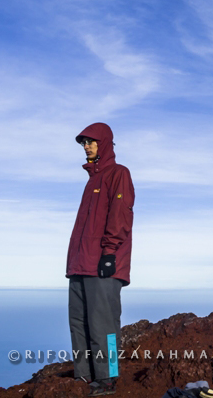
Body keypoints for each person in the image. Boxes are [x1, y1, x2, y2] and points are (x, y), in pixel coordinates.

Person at [67, 123, 134, 397]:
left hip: (103, 265)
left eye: (91, 141)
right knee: (78, 321)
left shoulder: (118, 174)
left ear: (104, 143)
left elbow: (120, 215)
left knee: (103, 324)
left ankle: (108, 378)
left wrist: (109, 253)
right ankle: (84, 374)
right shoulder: (92, 180)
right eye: (84, 142)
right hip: (80, 264)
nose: (86, 146)